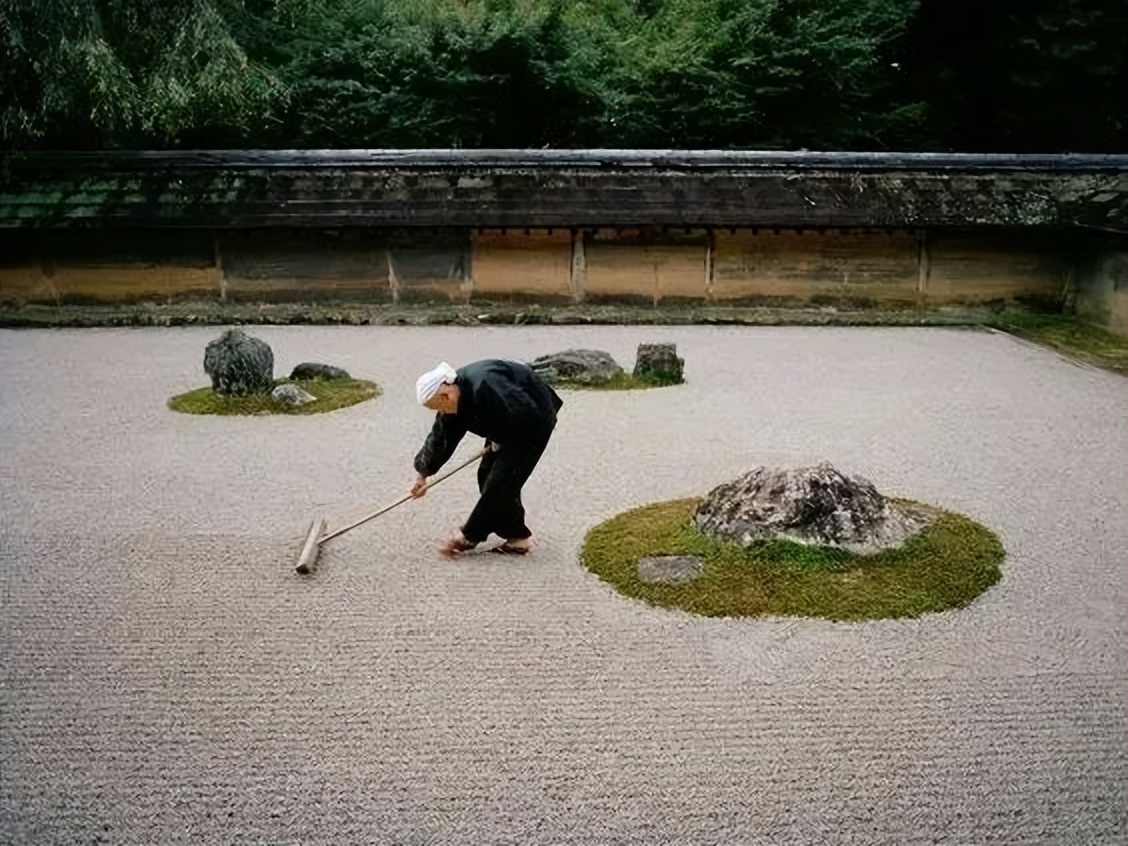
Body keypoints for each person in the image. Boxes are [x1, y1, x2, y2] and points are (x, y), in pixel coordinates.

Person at [411, 359, 563, 557]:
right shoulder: (453, 399)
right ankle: (517, 536)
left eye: (437, 406)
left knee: (501, 480)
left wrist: (505, 438)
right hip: (505, 424)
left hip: (534, 418)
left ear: (445, 394)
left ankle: (470, 536)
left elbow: (523, 412)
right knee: (486, 474)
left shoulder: (487, 385)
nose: (439, 412)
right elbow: (441, 438)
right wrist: (422, 473)